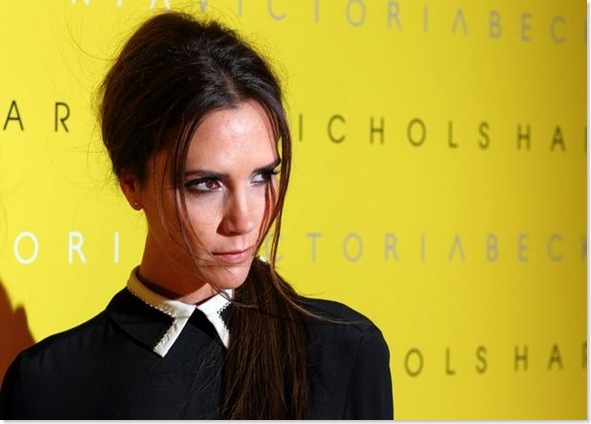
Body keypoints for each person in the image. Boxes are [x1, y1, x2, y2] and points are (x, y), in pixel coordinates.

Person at [0, 11, 393, 419]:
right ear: (131, 183)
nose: (245, 220)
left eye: (261, 176)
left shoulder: (345, 353)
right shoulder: (49, 383)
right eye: (206, 184)